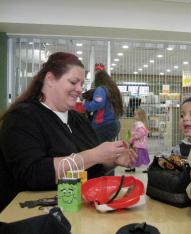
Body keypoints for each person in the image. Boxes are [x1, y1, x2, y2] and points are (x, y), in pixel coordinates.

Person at [0, 52, 136, 212]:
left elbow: (90, 168)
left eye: (82, 84)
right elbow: (33, 174)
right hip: (35, 216)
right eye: (73, 82)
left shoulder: (79, 120)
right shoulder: (22, 118)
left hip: (79, 212)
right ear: (50, 79)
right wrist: (93, 155)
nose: (79, 89)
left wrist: (111, 159)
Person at [83, 69, 123, 142]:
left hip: (104, 125)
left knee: (98, 149)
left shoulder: (101, 89)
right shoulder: (112, 90)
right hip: (114, 124)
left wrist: (85, 105)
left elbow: (98, 103)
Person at [125, 108, 150, 173]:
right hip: (140, 144)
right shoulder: (141, 124)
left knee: (137, 156)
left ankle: (142, 168)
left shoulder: (139, 124)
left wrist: (132, 138)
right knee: (137, 156)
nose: (134, 115)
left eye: (135, 114)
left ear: (140, 116)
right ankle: (133, 167)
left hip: (139, 144)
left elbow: (140, 133)